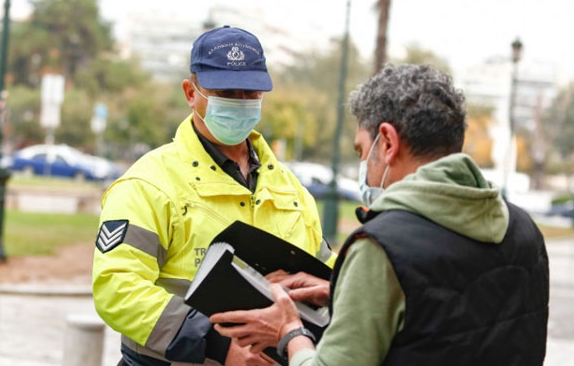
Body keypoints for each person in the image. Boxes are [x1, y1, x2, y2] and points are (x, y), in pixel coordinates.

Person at [210, 64, 549, 366]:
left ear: (386, 142)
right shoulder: (524, 231)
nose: (364, 170)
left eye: (361, 151)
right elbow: (452, 313)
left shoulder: (381, 247)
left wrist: (288, 331)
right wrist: (345, 290)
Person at [92, 26, 334, 366]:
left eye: (250, 94)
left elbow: (326, 275)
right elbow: (118, 289)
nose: (240, 102)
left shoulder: (291, 189)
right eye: (226, 92)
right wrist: (218, 345)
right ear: (191, 93)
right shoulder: (147, 184)